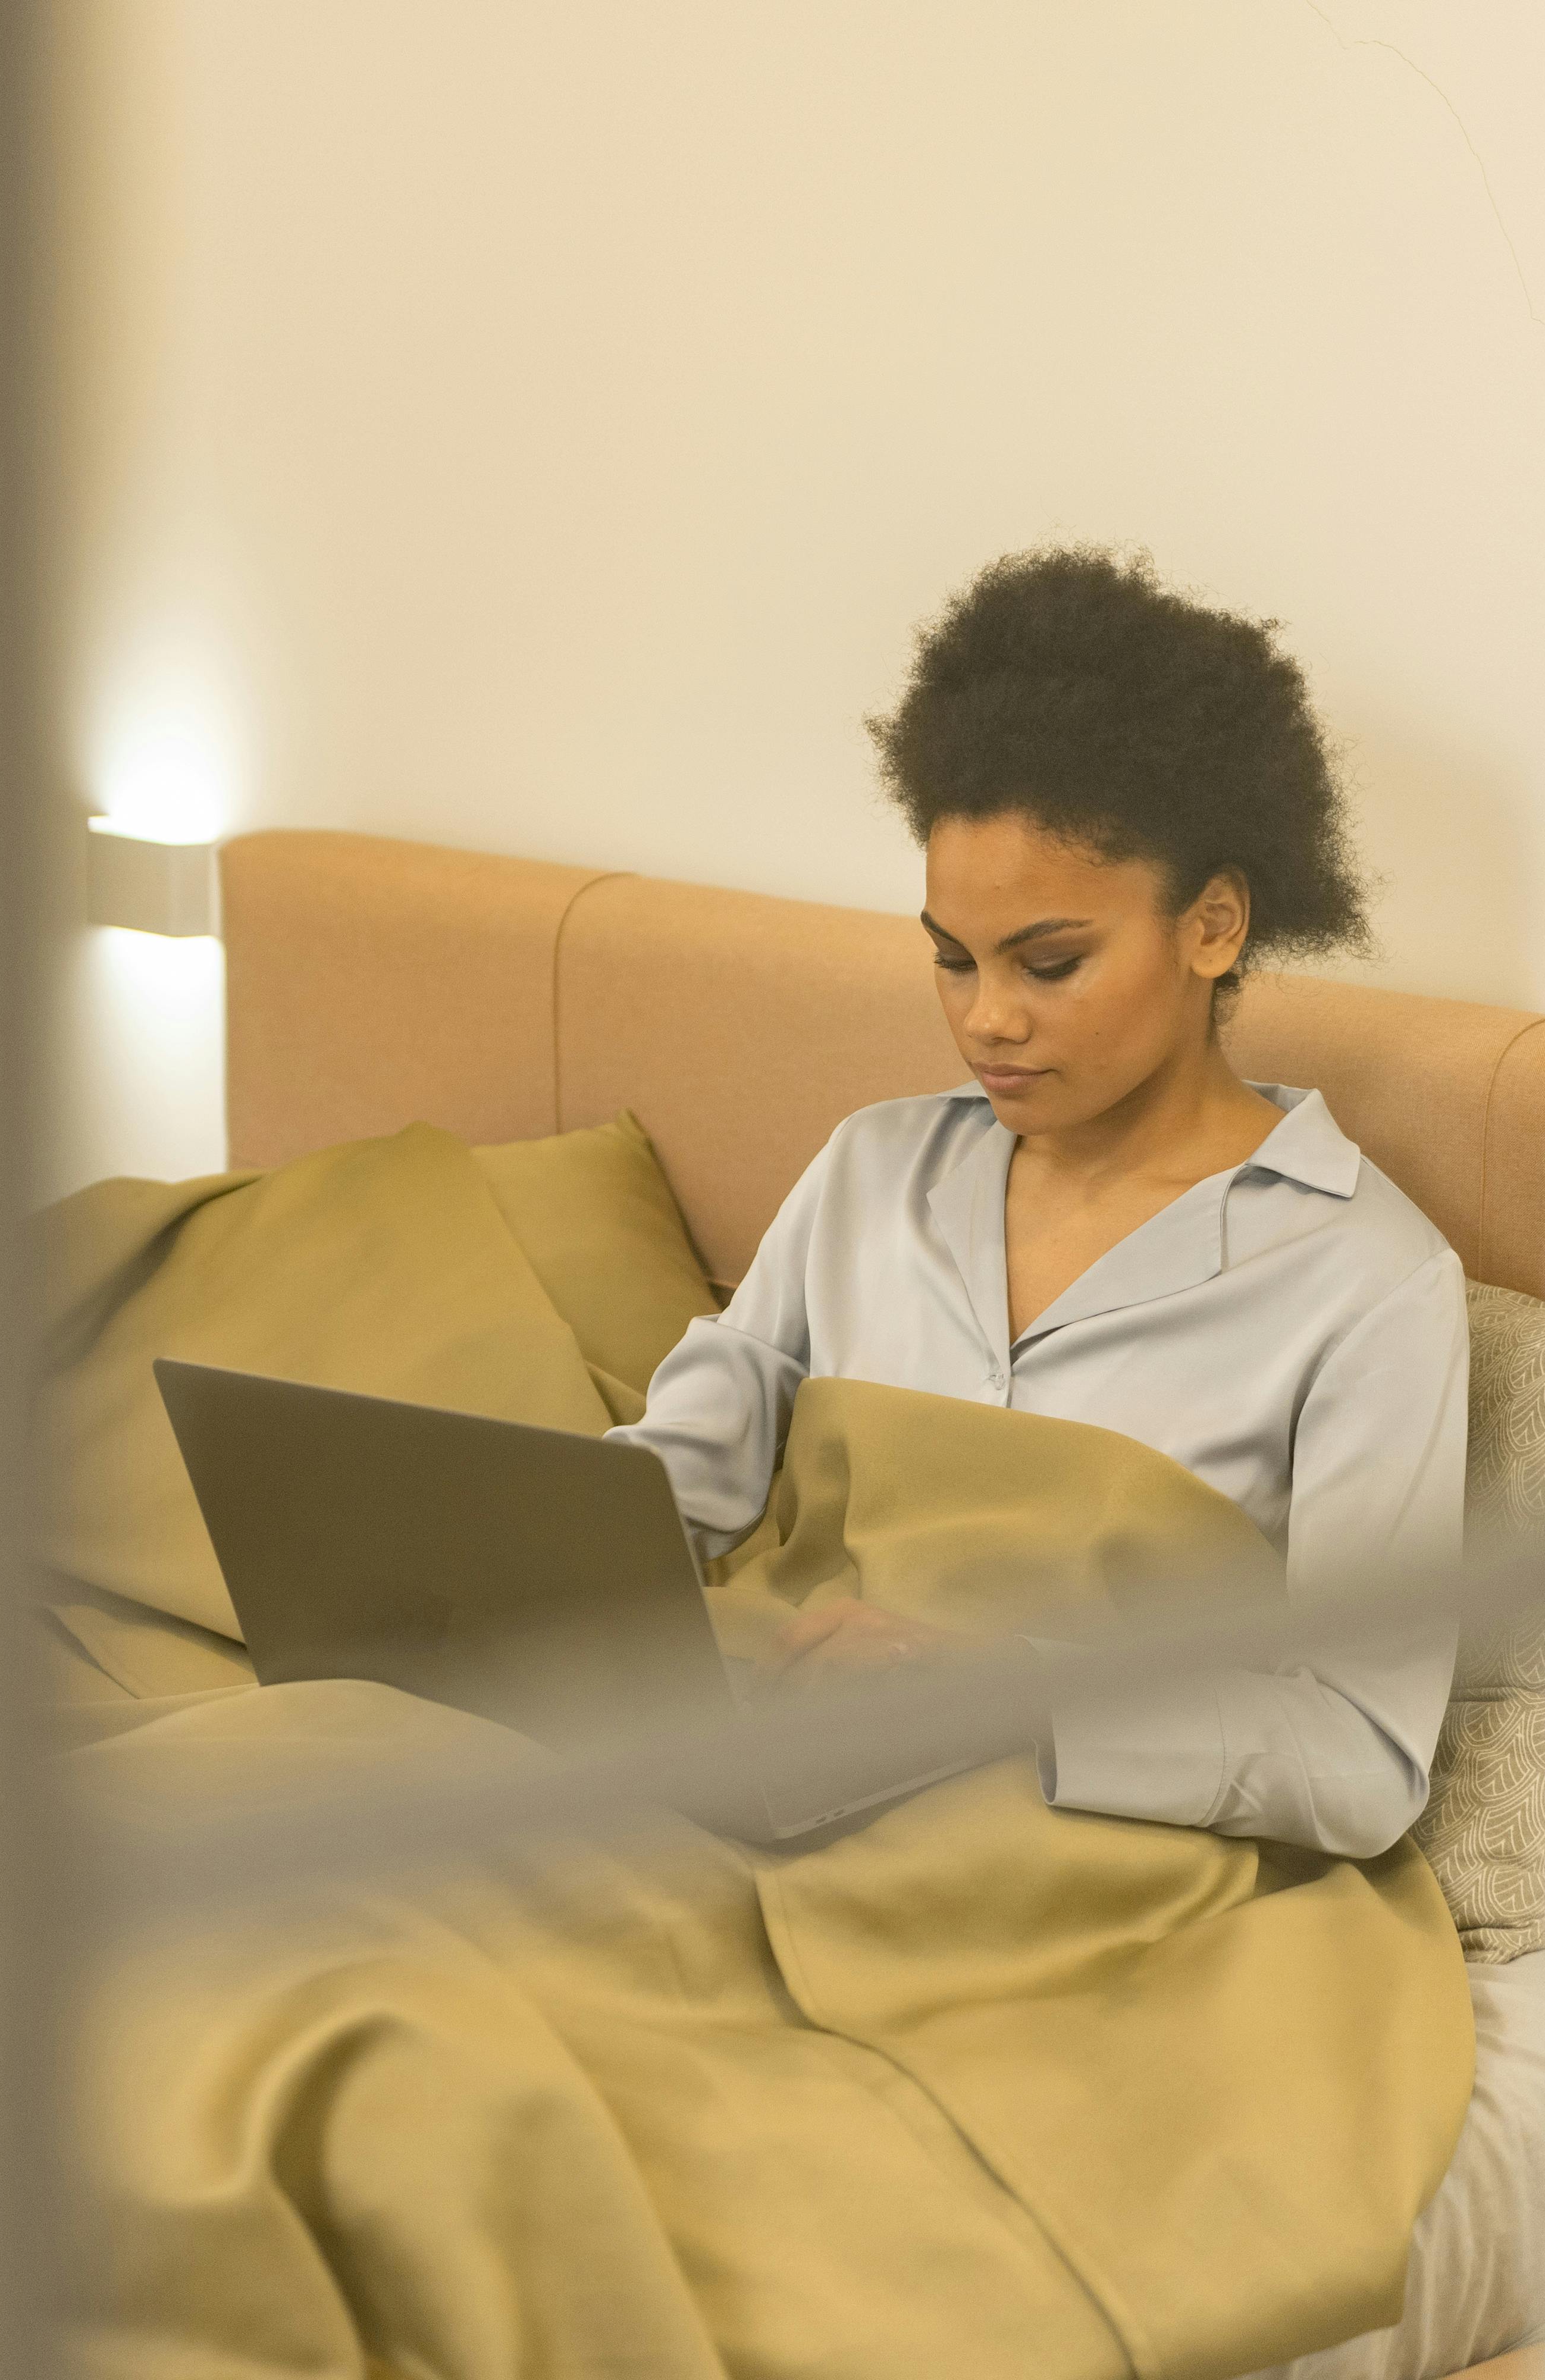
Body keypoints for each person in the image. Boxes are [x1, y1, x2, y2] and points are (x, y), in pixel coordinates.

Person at [609, 549, 1466, 1861]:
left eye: (1049, 962)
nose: (985, 1019)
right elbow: (684, 1474)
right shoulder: (870, 1172)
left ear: (1216, 924)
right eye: (951, 960)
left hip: (1077, 1855)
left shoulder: (1365, 1283)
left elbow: (1361, 1752)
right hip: (771, 1773)